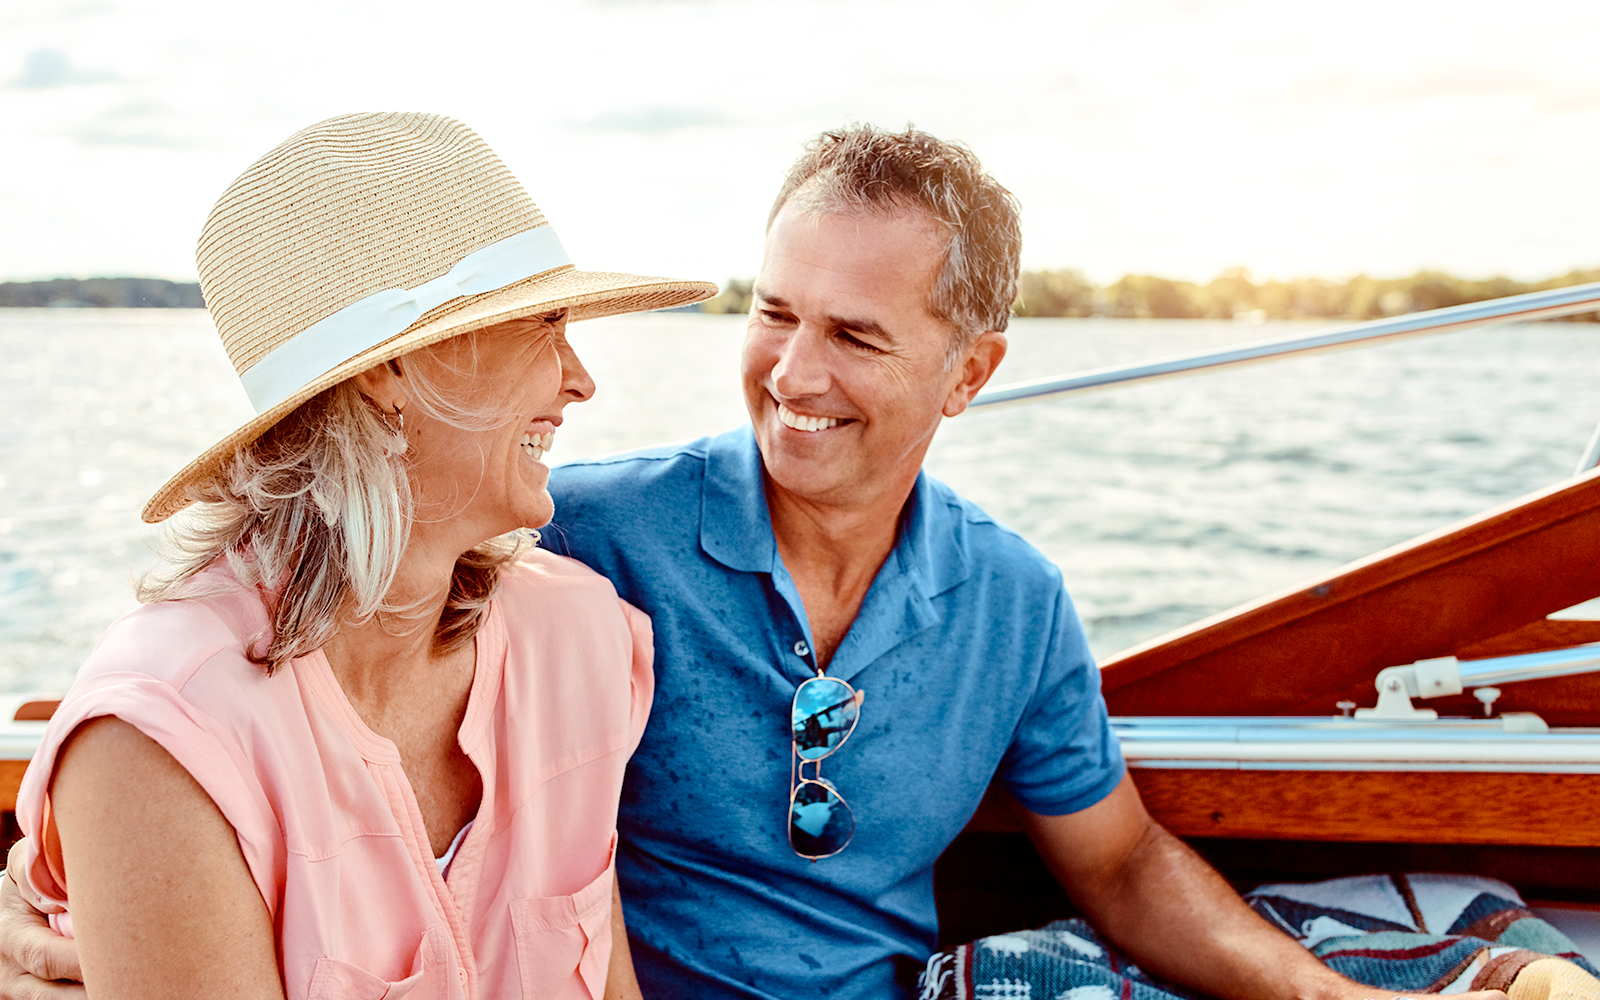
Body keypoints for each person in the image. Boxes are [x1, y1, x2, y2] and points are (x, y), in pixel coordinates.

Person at [0, 126, 1508, 1000]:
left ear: (969, 371)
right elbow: (213, 677)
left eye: (856, 334)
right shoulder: (570, 545)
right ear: (403, 376)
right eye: (775, 313)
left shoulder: (984, 602)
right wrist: (58, 878)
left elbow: (1114, 861)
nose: (793, 372)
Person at [0, 111, 714, 1000]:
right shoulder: (161, 736)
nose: (580, 377)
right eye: (547, 324)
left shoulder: (579, 638)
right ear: (391, 372)